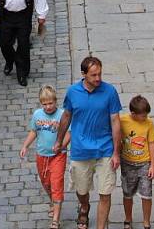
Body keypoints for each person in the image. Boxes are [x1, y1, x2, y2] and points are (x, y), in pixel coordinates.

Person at [53, 57, 122, 229]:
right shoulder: (73, 92)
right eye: (93, 75)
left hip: (105, 149)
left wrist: (116, 152)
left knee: (105, 193)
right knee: (82, 190)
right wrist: (59, 141)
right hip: (81, 150)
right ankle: (84, 206)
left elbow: (115, 121)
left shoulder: (110, 91)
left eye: (99, 74)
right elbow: (67, 116)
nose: (98, 78)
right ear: (83, 74)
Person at [20, 85, 70, 229]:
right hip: (41, 155)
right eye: (45, 104)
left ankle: (56, 219)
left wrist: (61, 145)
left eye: (51, 103)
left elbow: (69, 133)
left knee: (56, 183)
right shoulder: (37, 115)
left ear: (56, 101)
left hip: (58, 156)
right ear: (41, 103)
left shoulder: (62, 115)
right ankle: (53, 201)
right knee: (46, 183)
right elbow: (34, 131)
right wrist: (25, 146)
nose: (48, 107)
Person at [119, 95, 154, 229]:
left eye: (146, 115)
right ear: (133, 114)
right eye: (143, 116)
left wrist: (152, 165)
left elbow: (151, 143)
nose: (145, 118)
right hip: (127, 163)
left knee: (147, 194)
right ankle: (128, 218)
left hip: (144, 163)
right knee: (127, 193)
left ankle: (146, 221)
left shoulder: (149, 123)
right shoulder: (122, 120)